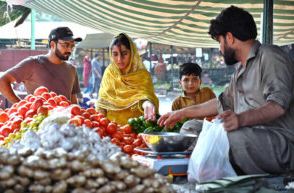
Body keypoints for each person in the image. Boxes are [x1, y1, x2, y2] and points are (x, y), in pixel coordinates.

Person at [158, 6, 294, 175]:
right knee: (191, 128)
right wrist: (184, 112)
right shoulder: (240, 71)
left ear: (229, 37)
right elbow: (221, 102)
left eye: (220, 42)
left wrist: (240, 119)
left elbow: (277, 105)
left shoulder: (270, 56)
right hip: (246, 135)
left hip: (281, 144)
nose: (220, 49)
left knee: (230, 138)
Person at [0, 27, 82, 104]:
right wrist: (22, 106)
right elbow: (1, 82)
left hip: (64, 122)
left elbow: (73, 102)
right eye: (66, 45)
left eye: (72, 46)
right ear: (52, 44)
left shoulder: (72, 69)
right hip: (38, 122)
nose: (70, 50)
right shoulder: (33, 63)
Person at [96, 33, 159, 125]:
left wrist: (147, 103)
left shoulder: (142, 75)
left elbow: (145, 96)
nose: (119, 59)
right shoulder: (109, 73)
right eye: (115, 54)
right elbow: (102, 102)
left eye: (124, 54)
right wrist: (100, 126)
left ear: (132, 53)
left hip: (136, 129)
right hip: (113, 130)